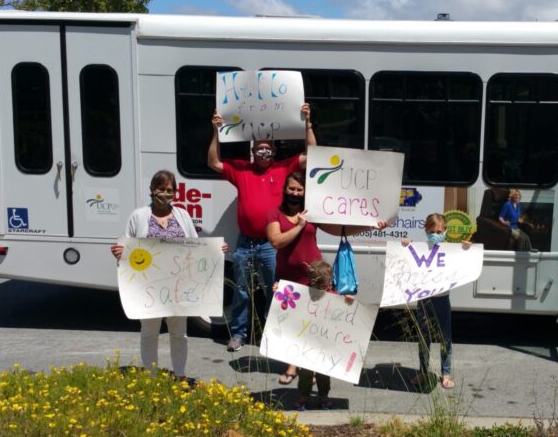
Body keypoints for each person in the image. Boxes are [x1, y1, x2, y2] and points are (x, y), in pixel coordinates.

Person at [208, 104, 315, 352]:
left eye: (267, 149)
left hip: (271, 244)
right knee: (242, 292)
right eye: (259, 149)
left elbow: (314, 155)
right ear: (253, 152)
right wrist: (215, 131)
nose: (263, 152)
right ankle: (238, 335)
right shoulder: (241, 169)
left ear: (274, 152)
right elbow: (213, 162)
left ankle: (273, 335)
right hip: (245, 242)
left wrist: (308, 123)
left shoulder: (283, 167)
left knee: (274, 292)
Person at [265, 170, 389, 385]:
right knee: (293, 324)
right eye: (291, 188)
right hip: (287, 278)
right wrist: (299, 226)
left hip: (316, 277)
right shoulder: (274, 214)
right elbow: (276, 241)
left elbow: (340, 229)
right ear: (285, 190)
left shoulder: (311, 212)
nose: (295, 193)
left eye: (299, 189)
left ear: (305, 192)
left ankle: (308, 368)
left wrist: (371, 225)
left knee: (314, 323)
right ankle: (294, 365)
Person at [111, 170, 198, 378]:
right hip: (148, 287)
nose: (165, 194)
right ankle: (151, 376)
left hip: (178, 286)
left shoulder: (183, 215)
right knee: (150, 334)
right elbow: (126, 244)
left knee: (179, 334)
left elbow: (196, 245)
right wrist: (119, 251)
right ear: (152, 190)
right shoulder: (139, 216)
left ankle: (180, 375)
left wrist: (215, 251)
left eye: (170, 190)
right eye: (161, 189)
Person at [403, 213, 471, 390]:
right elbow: (407, 257)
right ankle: (423, 371)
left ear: (445, 231)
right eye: (432, 231)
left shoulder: (450, 249)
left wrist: (466, 248)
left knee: (445, 337)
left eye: (439, 231)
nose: (435, 234)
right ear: (426, 231)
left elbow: (464, 261)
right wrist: (405, 245)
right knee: (423, 337)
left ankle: (445, 373)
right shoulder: (420, 248)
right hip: (424, 299)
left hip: (442, 300)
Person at [293, 259, 348, 411]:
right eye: (317, 284)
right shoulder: (303, 292)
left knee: (324, 373)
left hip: (325, 343)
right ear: (310, 281)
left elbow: (343, 311)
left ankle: (324, 396)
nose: (320, 288)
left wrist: (347, 301)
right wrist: (278, 290)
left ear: (329, 281)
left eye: (324, 285)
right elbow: (289, 300)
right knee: (305, 373)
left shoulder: (333, 295)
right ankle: (304, 396)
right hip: (307, 342)